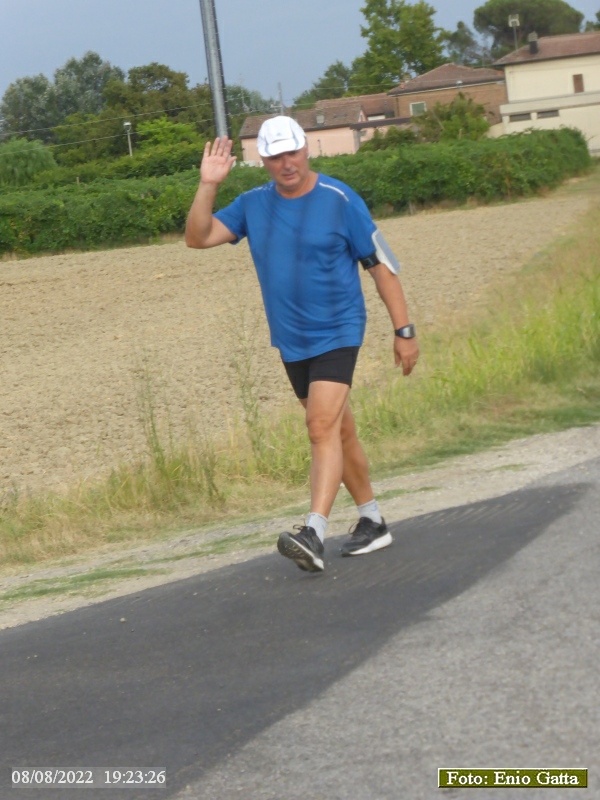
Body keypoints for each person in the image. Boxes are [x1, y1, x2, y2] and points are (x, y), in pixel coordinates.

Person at [185, 116, 419, 574]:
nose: (286, 163)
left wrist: (403, 330)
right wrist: (208, 184)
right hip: (292, 339)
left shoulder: (339, 199)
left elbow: (381, 266)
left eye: (292, 152)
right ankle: (372, 520)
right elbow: (198, 237)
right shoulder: (252, 204)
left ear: (306, 149)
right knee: (338, 431)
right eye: (275, 157)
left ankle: (313, 532)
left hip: (338, 329)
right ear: (263, 160)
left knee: (319, 426)